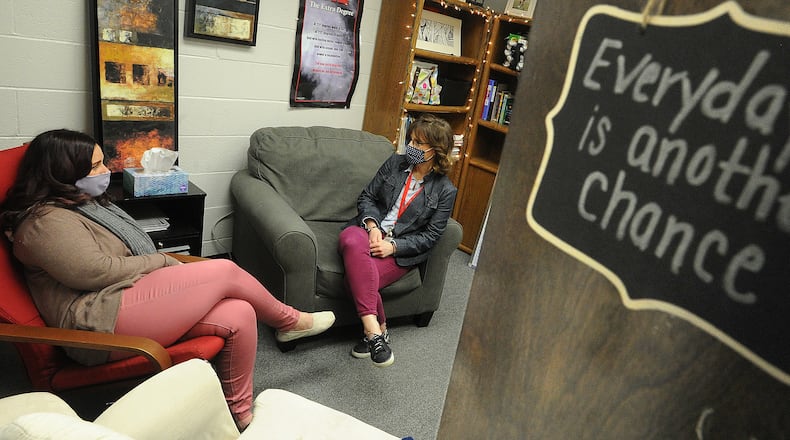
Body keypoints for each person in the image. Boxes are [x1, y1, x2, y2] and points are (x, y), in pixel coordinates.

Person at [0, 129, 336, 431]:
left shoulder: (83, 205)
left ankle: (240, 415)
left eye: (103, 163)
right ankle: (291, 320)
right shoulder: (44, 222)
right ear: (62, 174)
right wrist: (160, 261)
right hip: (95, 322)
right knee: (223, 270)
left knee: (239, 313)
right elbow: (95, 272)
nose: (105, 173)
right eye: (95, 167)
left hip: (121, 298)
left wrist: (158, 267)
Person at [338, 113, 458, 367]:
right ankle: (376, 332)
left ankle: (375, 332)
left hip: (400, 250)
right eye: (411, 140)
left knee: (354, 277)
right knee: (350, 239)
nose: (411, 147)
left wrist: (393, 246)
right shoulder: (395, 163)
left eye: (418, 144)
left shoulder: (445, 190)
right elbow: (367, 197)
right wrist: (372, 226)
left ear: (436, 151)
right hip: (368, 233)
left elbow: (431, 236)